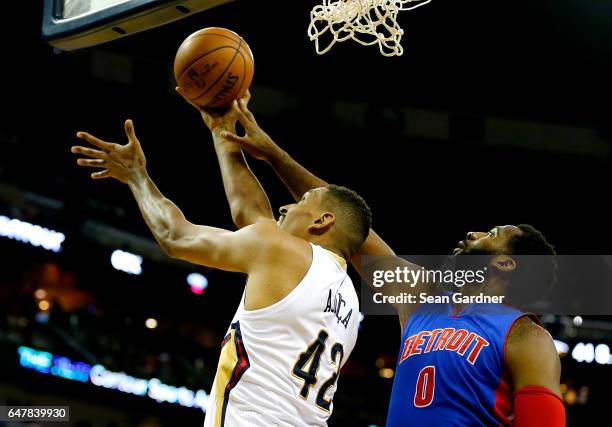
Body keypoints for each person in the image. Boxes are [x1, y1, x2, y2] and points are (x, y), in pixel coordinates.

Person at [189, 93, 566, 427]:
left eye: (492, 235)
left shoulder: (526, 337)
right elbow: (348, 225)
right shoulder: (423, 298)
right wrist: (274, 155)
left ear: (505, 264)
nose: (473, 234)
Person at [70, 114, 372, 426]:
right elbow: (253, 216)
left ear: (322, 221)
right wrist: (221, 131)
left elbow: (176, 236)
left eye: (302, 201)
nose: (286, 207)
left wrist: (136, 176)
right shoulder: (350, 301)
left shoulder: (285, 252)